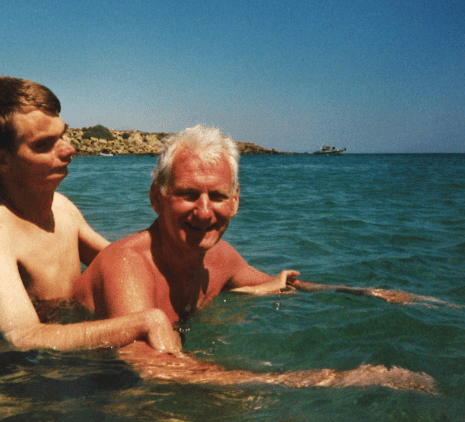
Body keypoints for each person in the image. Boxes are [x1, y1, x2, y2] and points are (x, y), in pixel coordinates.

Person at [73, 125, 437, 392]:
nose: (204, 211)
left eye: (218, 196)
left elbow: (280, 285)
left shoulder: (219, 258)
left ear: (235, 202)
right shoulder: (128, 265)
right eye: (188, 194)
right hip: (89, 381)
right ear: (157, 198)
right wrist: (327, 380)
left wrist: (366, 293)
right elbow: (149, 366)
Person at [0, 76, 181, 353]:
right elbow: (20, 337)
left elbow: (121, 260)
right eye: (44, 144)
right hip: (7, 368)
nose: (69, 148)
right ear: (2, 160)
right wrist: (143, 322)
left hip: (61, 348)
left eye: (62, 134)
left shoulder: (61, 207)